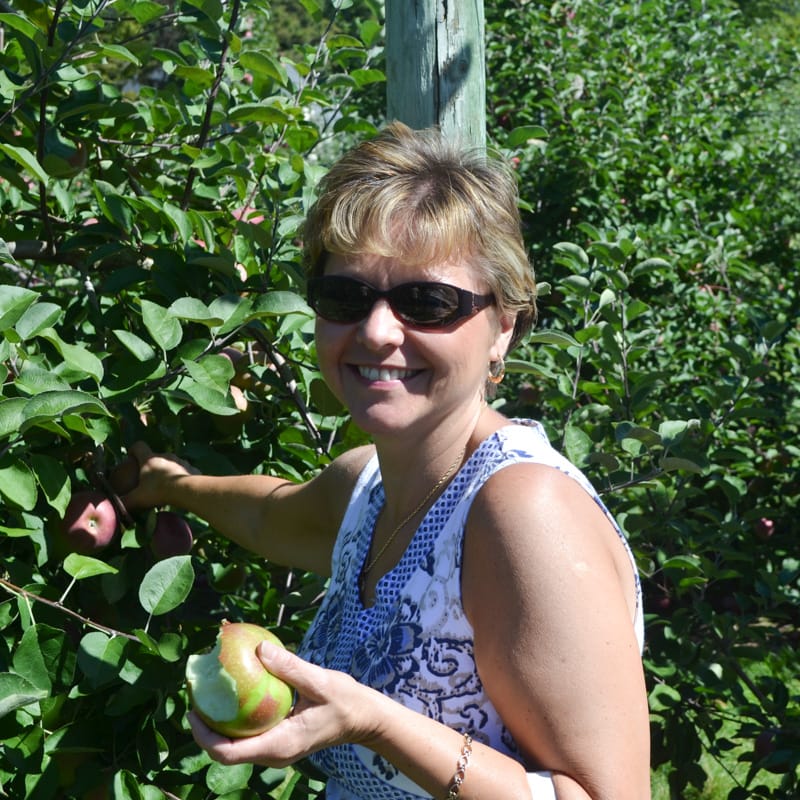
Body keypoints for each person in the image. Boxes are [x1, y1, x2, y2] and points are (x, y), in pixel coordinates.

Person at [124, 122, 651, 799]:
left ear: (505, 327)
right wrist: (170, 487)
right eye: (345, 296)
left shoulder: (523, 514)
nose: (376, 331)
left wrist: (376, 724)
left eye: (427, 302)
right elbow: (272, 515)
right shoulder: (368, 487)